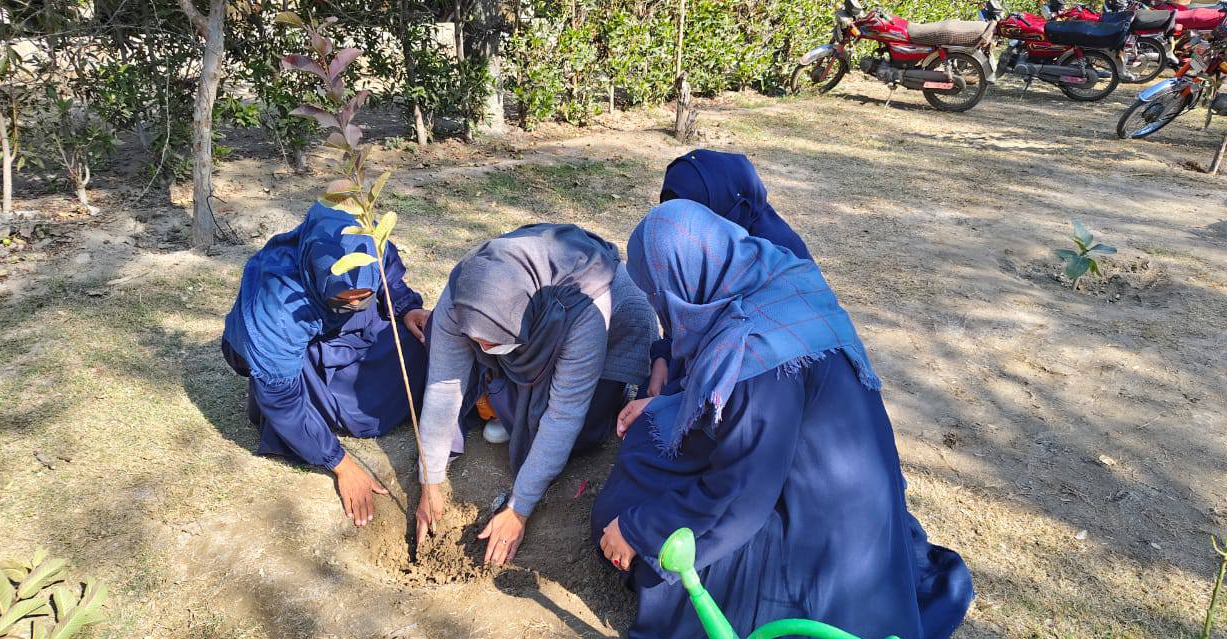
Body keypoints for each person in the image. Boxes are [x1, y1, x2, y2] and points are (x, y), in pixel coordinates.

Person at [591, 200, 973, 639]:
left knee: (638, 528)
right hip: (860, 518)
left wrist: (640, 530)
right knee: (652, 442)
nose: (663, 309)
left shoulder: (753, 355)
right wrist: (665, 403)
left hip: (821, 551)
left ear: (682, 282)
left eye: (659, 293)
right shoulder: (780, 281)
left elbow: (739, 501)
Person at [414, 223, 656, 565]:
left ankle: (590, 397)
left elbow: (564, 414)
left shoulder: (585, 308)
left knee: (579, 435)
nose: (481, 347)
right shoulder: (463, 294)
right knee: (464, 357)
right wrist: (430, 481)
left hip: (610, 326)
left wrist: (518, 509)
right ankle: (513, 394)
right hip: (526, 322)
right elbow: (443, 385)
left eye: (490, 341)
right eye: (476, 340)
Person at [222, 201, 430, 528]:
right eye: (346, 298)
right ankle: (324, 407)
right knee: (353, 416)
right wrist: (341, 464)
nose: (357, 302)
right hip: (298, 352)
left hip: (346, 331)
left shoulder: (365, 242)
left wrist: (405, 307)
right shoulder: (278, 308)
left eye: (364, 295)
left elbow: (385, 272)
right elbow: (281, 399)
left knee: (417, 346)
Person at [646, 149, 811, 397]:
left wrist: (676, 399)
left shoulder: (779, 256)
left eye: (690, 217)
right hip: (708, 354)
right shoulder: (703, 243)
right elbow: (683, 310)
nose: (682, 229)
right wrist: (663, 357)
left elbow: (755, 362)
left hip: (760, 377)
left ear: (719, 208)